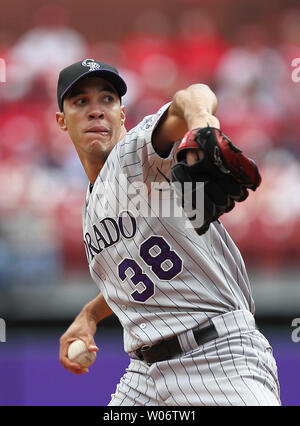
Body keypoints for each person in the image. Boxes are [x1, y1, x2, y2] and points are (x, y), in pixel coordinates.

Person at [57, 58, 281, 406]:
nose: (96, 110)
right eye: (81, 101)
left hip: (216, 358)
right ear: (62, 120)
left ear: (121, 114)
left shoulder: (135, 155)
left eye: (107, 99)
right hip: (144, 377)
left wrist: (203, 123)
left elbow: (191, 96)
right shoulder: (91, 206)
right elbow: (132, 281)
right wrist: (89, 315)